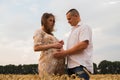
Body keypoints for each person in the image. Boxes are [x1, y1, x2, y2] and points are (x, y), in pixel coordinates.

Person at [54, 9, 93, 80]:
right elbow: (72, 49)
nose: (68, 21)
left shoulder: (84, 27)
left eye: (69, 19)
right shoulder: (73, 30)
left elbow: (83, 45)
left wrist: (64, 53)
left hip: (80, 65)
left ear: (76, 16)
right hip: (71, 66)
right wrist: (61, 47)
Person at [33, 13, 65, 78]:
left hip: (58, 68)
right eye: (50, 20)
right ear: (44, 21)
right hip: (47, 66)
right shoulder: (39, 31)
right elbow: (36, 47)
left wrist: (59, 43)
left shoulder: (52, 35)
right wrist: (53, 45)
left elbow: (53, 46)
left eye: (53, 21)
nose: (52, 22)